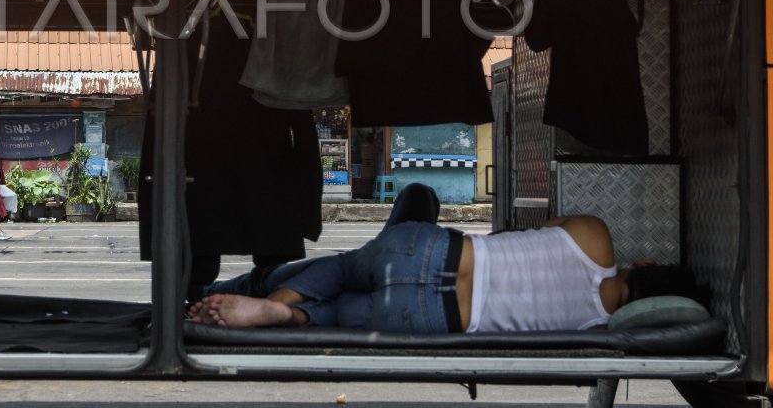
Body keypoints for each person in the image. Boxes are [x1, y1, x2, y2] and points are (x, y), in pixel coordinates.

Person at [188, 183, 703, 333]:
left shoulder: (596, 238)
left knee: (345, 267)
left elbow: (522, 232)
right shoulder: (596, 330)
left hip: (430, 252)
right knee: (338, 315)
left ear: (647, 266)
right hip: (434, 318)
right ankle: (292, 314)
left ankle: (265, 294)